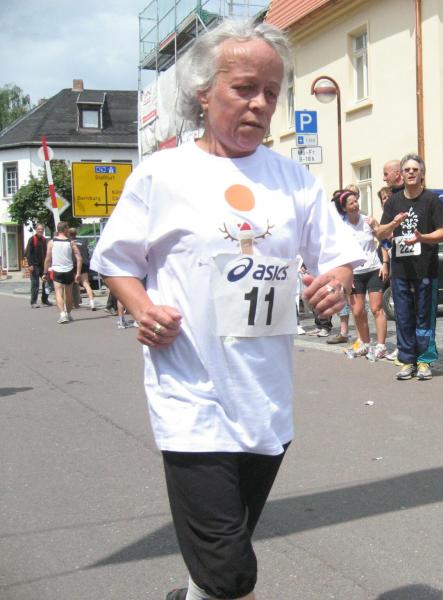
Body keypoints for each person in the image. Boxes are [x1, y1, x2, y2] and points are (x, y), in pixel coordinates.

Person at [90, 20, 364, 600]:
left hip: (265, 401)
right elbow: (115, 260)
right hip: (190, 395)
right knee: (231, 574)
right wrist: (143, 308)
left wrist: (336, 283)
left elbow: (341, 256)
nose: (260, 103)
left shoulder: (293, 180)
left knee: (219, 559)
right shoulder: (162, 175)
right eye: (244, 88)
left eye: (271, 91)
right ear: (203, 91)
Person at [376, 153, 443, 380]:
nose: (411, 173)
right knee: (404, 317)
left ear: (422, 173)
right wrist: (393, 224)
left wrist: (422, 238)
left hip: (426, 270)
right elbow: (380, 233)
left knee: (424, 317)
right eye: (407, 169)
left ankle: (424, 360)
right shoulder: (393, 202)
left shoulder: (432, 200)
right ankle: (407, 360)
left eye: (415, 169)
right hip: (400, 271)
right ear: (402, 174)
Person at [332, 188, 389, 359]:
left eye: (356, 201)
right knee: (357, 311)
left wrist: (385, 264)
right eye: (351, 203)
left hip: (373, 269)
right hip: (355, 273)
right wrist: (345, 275)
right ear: (344, 208)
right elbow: (339, 253)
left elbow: (383, 241)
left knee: (376, 308)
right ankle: (364, 343)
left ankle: (381, 346)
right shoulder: (341, 227)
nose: (356, 205)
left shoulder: (368, 221)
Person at [44, 221, 82, 324]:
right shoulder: (71, 242)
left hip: (57, 270)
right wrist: (78, 273)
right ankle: (68, 314)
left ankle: (62, 314)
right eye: (67, 228)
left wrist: (45, 273)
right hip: (69, 270)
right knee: (68, 294)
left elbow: (48, 259)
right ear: (65, 229)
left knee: (58, 293)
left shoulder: (51, 242)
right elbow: (79, 258)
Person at [68, 227, 96, 310]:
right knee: (86, 284)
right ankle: (92, 303)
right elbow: (87, 254)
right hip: (83, 264)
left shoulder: (69, 243)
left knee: (70, 285)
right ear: (76, 234)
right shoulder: (83, 242)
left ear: (69, 234)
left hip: (73, 264)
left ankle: (70, 304)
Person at [25, 223, 51, 307]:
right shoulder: (32, 239)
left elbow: (46, 252)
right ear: (36, 230)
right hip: (34, 265)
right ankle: (33, 302)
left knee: (46, 281)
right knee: (35, 284)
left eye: (42, 229)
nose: (40, 230)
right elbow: (28, 253)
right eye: (39, 229)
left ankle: (45, 300)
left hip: (43, 265)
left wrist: (47, 264)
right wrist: (30, 265)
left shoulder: (44, 240)